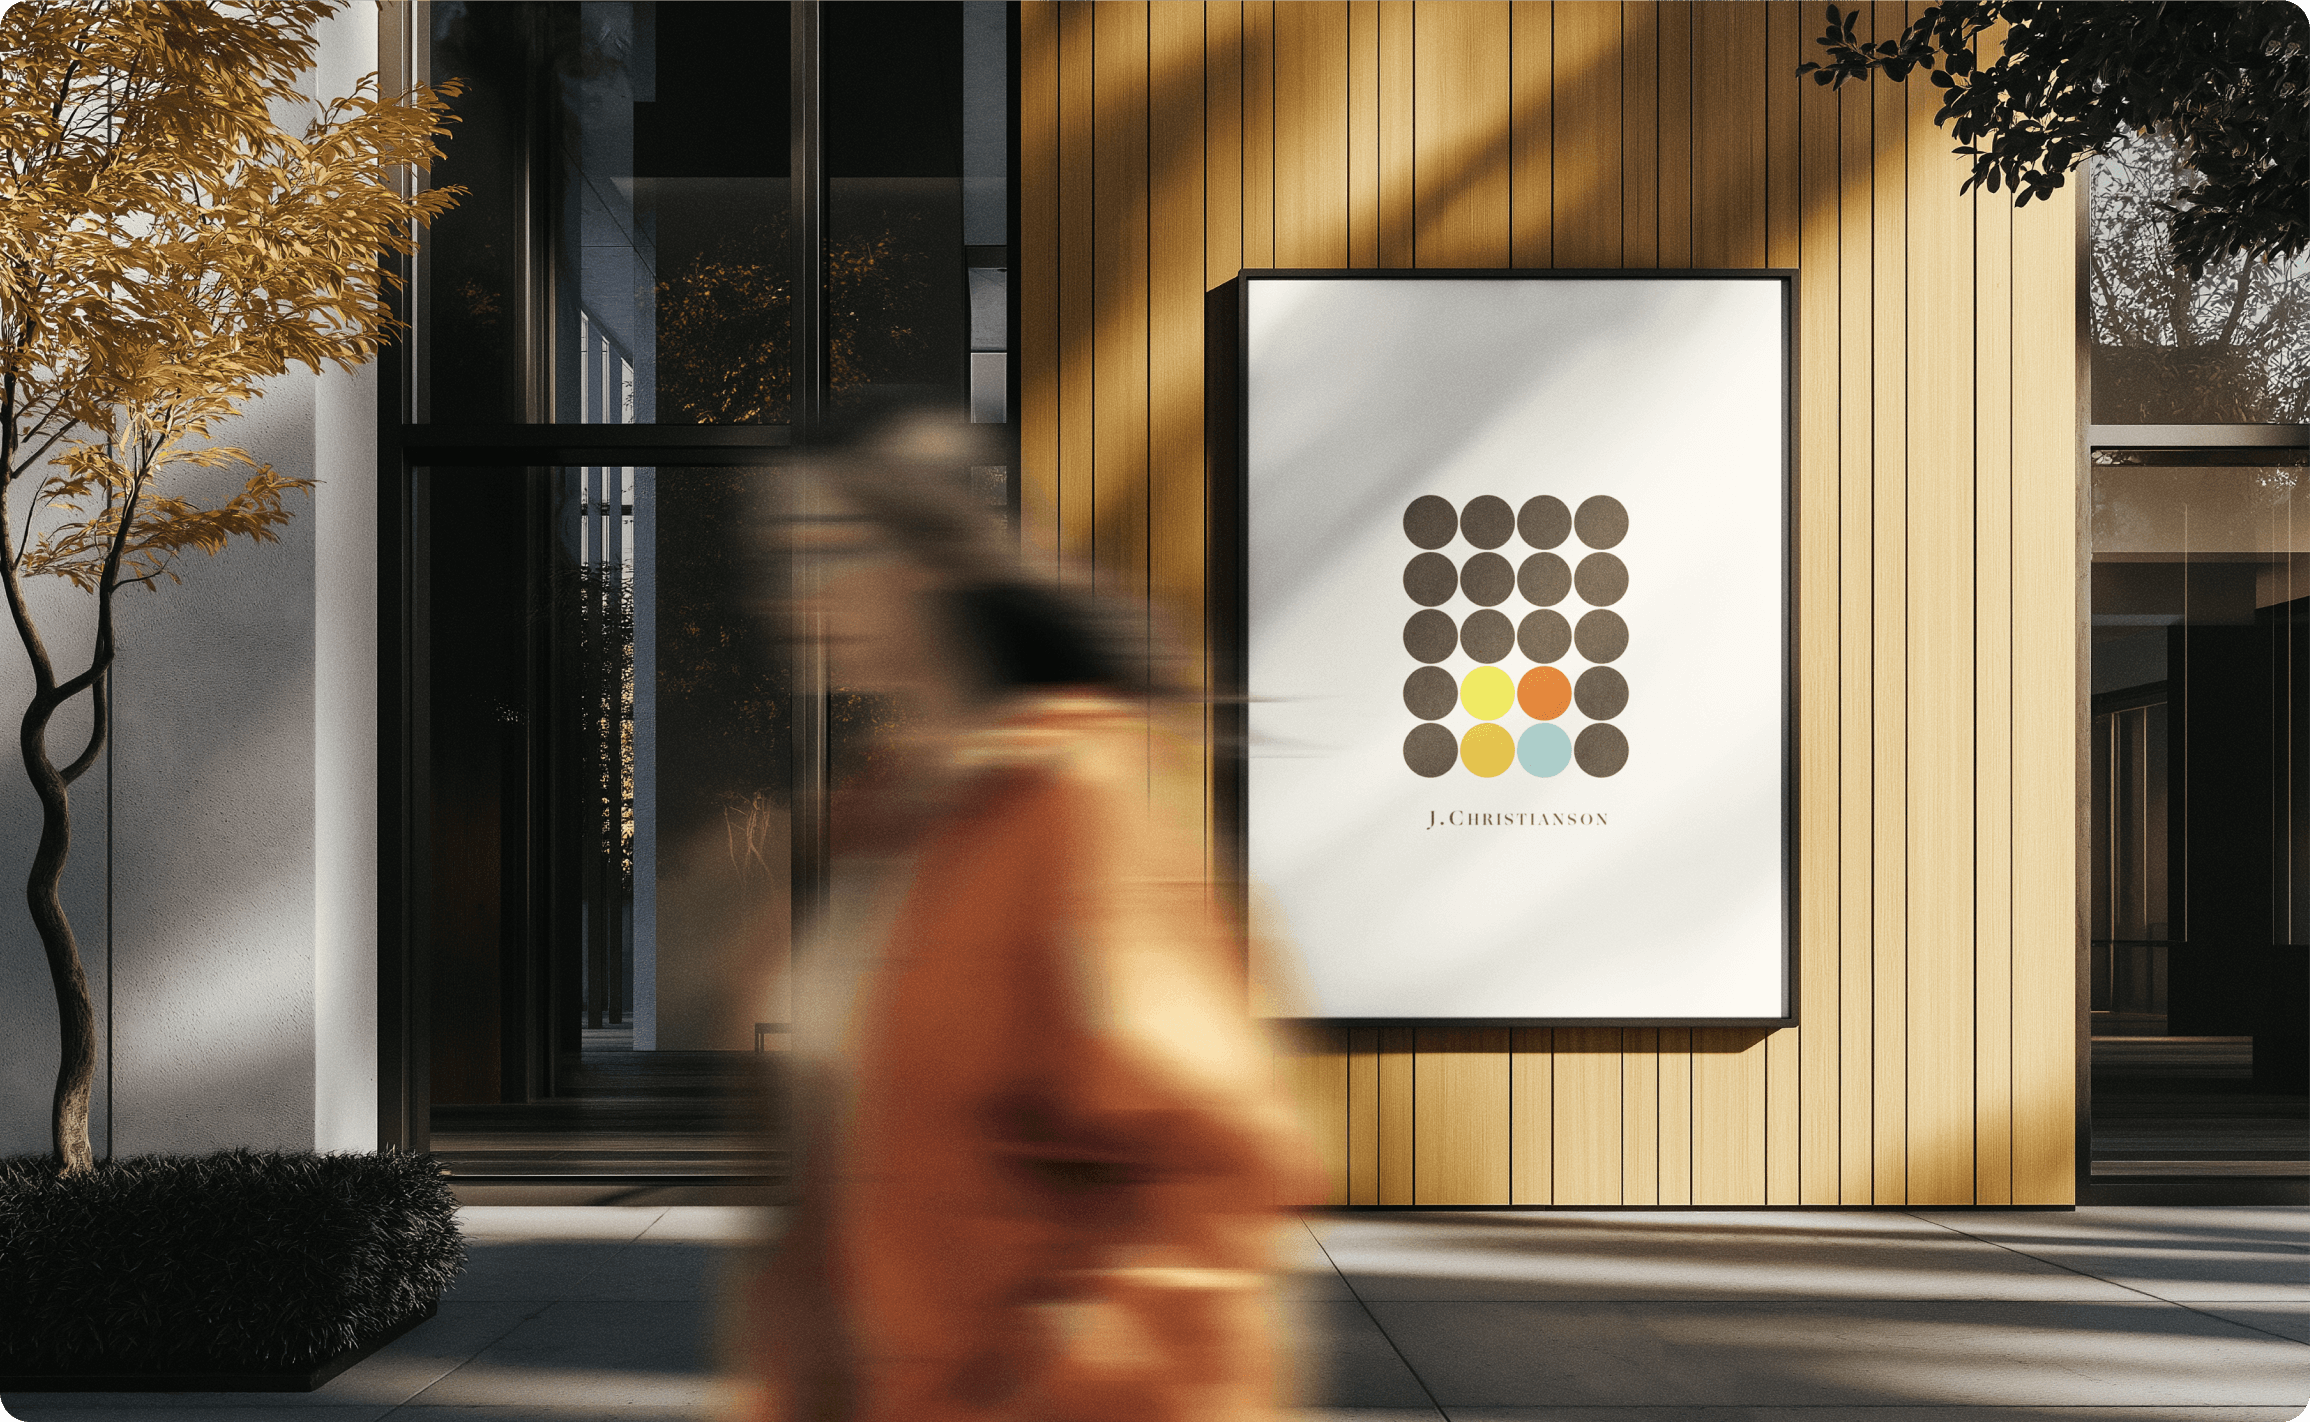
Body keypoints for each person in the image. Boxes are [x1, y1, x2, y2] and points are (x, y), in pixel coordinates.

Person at [720, 411, 1326, 1422]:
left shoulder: (1080, 809)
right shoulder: (879, 828)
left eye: (828, 549)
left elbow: (1207, 1177)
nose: (794, 595)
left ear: (939, 556)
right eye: (781, 557)